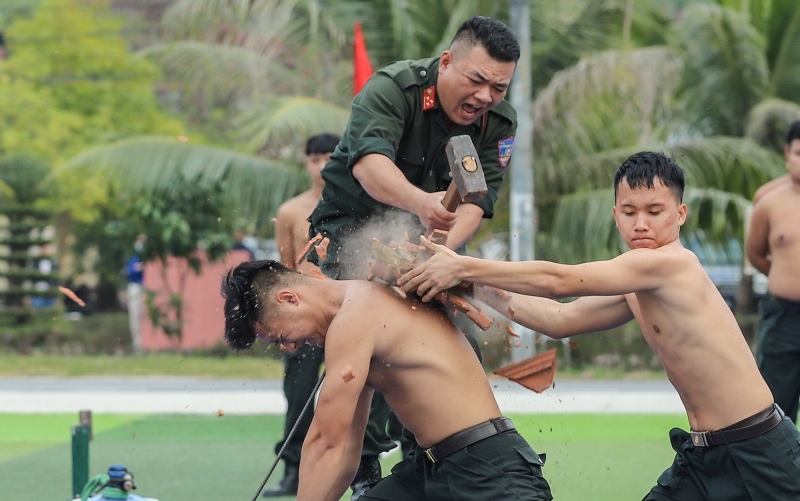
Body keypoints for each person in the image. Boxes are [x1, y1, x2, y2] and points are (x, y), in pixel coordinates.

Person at [399, 151, 800, 500]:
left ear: (680, 215)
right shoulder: (636, 282)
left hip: (761, 448)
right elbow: (561, 319)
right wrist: (473, 287)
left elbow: (559, 282)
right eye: (629, 212)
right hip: (704, 457)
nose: (640, 224)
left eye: (654, 212)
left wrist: (463, 264)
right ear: (615, 215)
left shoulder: (671, 264)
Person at [307, 16, 520, 494]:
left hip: (425, 243)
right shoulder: (393, 89)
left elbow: (475, 200)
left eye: (499, 87)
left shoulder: (498, 124)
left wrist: (440, 251)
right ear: (446, 62)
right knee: (367, 342)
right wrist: (422, 204)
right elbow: (368, 165)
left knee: (436, 337)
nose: (486, 96)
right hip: (349, 230)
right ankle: (360, 465)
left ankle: (425, 457)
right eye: (477, 80)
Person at [221, 260, 553, 501]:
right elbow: (347, 447)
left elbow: (325, 440)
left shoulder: (355, 316)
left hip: (487, 467)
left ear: (289, 298)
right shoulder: (352, 320)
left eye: (280, 336)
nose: (289, 347)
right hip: (429, 471)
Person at [260, 132, 340, 497]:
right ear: (306, 162)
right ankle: (293, 468)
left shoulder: (351, 201)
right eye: (315, 158)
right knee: (299, 390)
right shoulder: (291, 211)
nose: (322, 165)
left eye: (330, 157)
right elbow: (285, 268)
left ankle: (365, 465)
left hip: (346, 310)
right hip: (304, 316)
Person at [746, 120, 800, 424]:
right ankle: (781, 473)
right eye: (799, 152)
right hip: (783, 318)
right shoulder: (768, 203)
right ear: (787, 153)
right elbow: (755, 254)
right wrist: (783, 276)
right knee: (774, 413)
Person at [125, 234, 146, 353]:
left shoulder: (143, 257)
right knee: (134, 316)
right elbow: (129, 271)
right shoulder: (132, 258)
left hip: (142, 287)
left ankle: (142, 344)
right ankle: (137, 344)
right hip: (134, 287)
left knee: (141, 316)